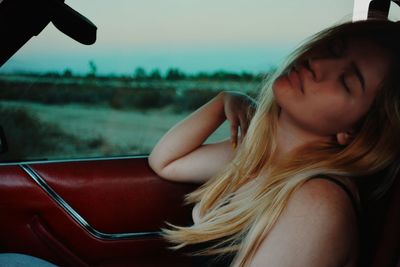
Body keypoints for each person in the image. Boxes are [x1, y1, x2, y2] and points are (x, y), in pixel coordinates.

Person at [149, 18, 400, 267]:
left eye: (346, 80)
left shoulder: (317, 203)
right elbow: (166, 161)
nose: (318, 63)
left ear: (355, 131)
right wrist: (222, 101)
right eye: (332, 49)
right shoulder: (258, 153)